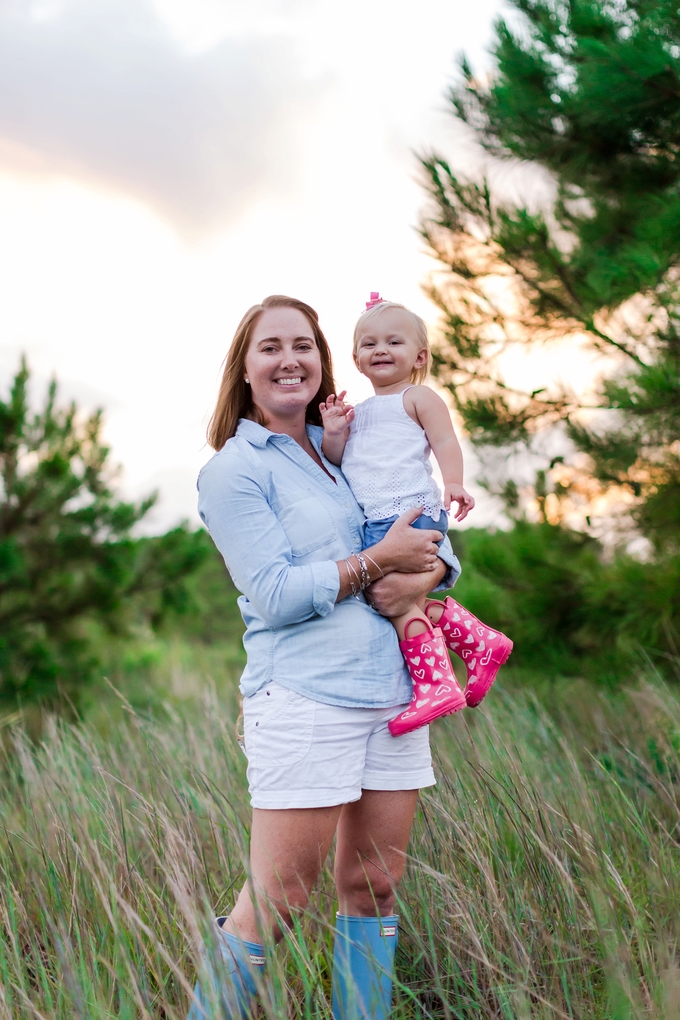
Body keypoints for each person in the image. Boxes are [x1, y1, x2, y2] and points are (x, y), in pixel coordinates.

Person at [190, 294, 462, 1020]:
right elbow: (276, 593)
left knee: (375, 886)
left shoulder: (348, 447)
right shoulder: (235, 471)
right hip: (309, 697)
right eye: (271, 347)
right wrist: (377, 562)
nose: (290, 359)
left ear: (322, 360)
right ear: (244, 371)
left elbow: (421, 540)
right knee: (278, 900)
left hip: (393, 697)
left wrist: (433, 570)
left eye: (304, 345)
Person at [320, 294, 513, 737]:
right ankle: (478, 642)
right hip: (376, 526)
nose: (380, 350)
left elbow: (445, 442)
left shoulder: (418, 397)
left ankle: (437, 684)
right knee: (386, 598)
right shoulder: (357, 414)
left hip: (412, 514)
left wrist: (455, 482)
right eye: (369, 344)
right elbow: (336, 459)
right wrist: (334, 431)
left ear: (419, 356)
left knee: (389, 594)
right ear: (356, 359)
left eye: (393, 342)